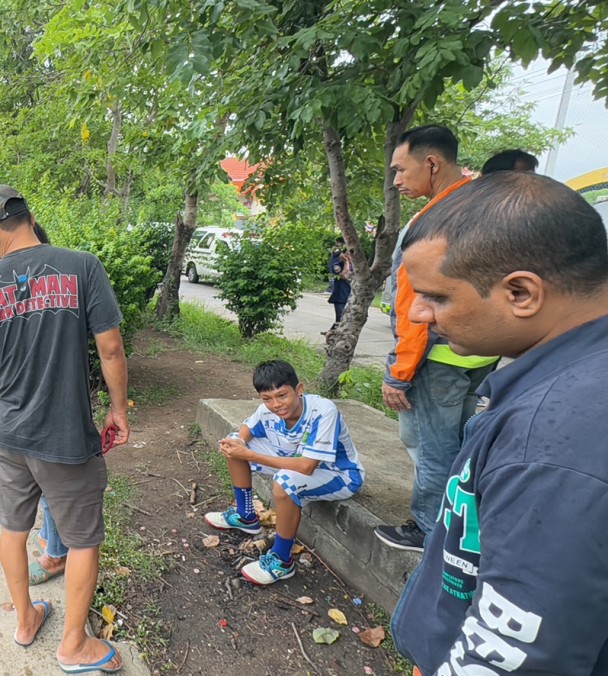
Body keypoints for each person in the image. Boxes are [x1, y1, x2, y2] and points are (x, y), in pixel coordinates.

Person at [391, 171, 608, 674]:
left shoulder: (556, 442)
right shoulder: (593, 369)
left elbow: (520, 654)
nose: (420, 315)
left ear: (521, 292)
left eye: (438, 296)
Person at [0, 185, 130, 673]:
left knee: (13, 529)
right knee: (83, 540)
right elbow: (110, 348)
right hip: (65, 438)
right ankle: (74, 645)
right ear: (29, 217)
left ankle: (26, 620)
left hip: (8, 436)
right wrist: (119, 409)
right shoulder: (81, 266)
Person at [375, 125, 499, 553]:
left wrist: (399, 372)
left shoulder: (432, 221)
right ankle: (464, 522)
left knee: (431, 447)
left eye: (400, 169)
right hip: (478, 355)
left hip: (437, 356)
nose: (396, 180)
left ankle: (430, 530)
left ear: (431, 163)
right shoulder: (482, 206)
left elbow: (415, 306)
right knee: (462, 445)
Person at [204, 360, 364, 585]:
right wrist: (238, 443)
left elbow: (307, 466)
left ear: (299, 390)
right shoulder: (267, 409)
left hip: (338, 474)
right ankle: (246, 516)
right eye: (267, 398)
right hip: (295, 461)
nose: (276, 404)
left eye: (282, 395)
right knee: (234, 444)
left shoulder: (323, 411)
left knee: (284, 481)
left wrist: (250, 455)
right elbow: (247, 428)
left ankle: (282, 560)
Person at [0, 224, 69, 585]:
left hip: (38, 417)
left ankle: (56, 555)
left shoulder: (15, 285)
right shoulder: (59, 279)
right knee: (49, 493)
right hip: (49, 411)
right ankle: (54, 541)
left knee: (47, 495)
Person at [325, 237, 353, 330]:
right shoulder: (337, 264)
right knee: (340, 319)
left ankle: (332, 333)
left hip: (350, 296)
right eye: (348, 253)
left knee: (347, 320)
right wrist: (346, 262)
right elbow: (345, 275)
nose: (350, 256)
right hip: (340, 295)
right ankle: (333, 336)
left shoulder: (355, 266)